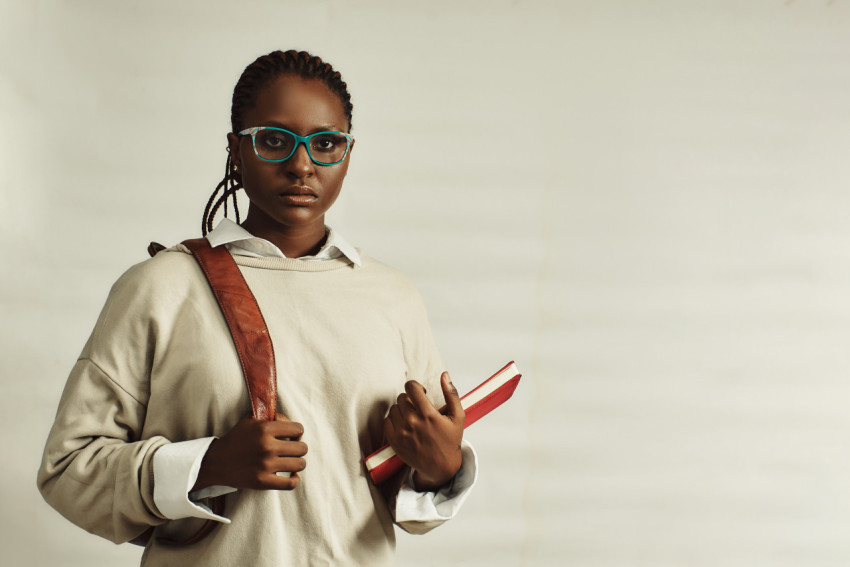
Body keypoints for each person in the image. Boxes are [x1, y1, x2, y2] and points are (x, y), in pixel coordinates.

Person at [37, 50, 477, 566]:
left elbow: (407, 502)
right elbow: (68, 471)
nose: (301, 165)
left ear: (348, 154)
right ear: (236, 149)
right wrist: (207, 464)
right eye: (273, 140)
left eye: (326, 143)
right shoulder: (161, 286)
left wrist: (441, 468)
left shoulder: (392, 295)